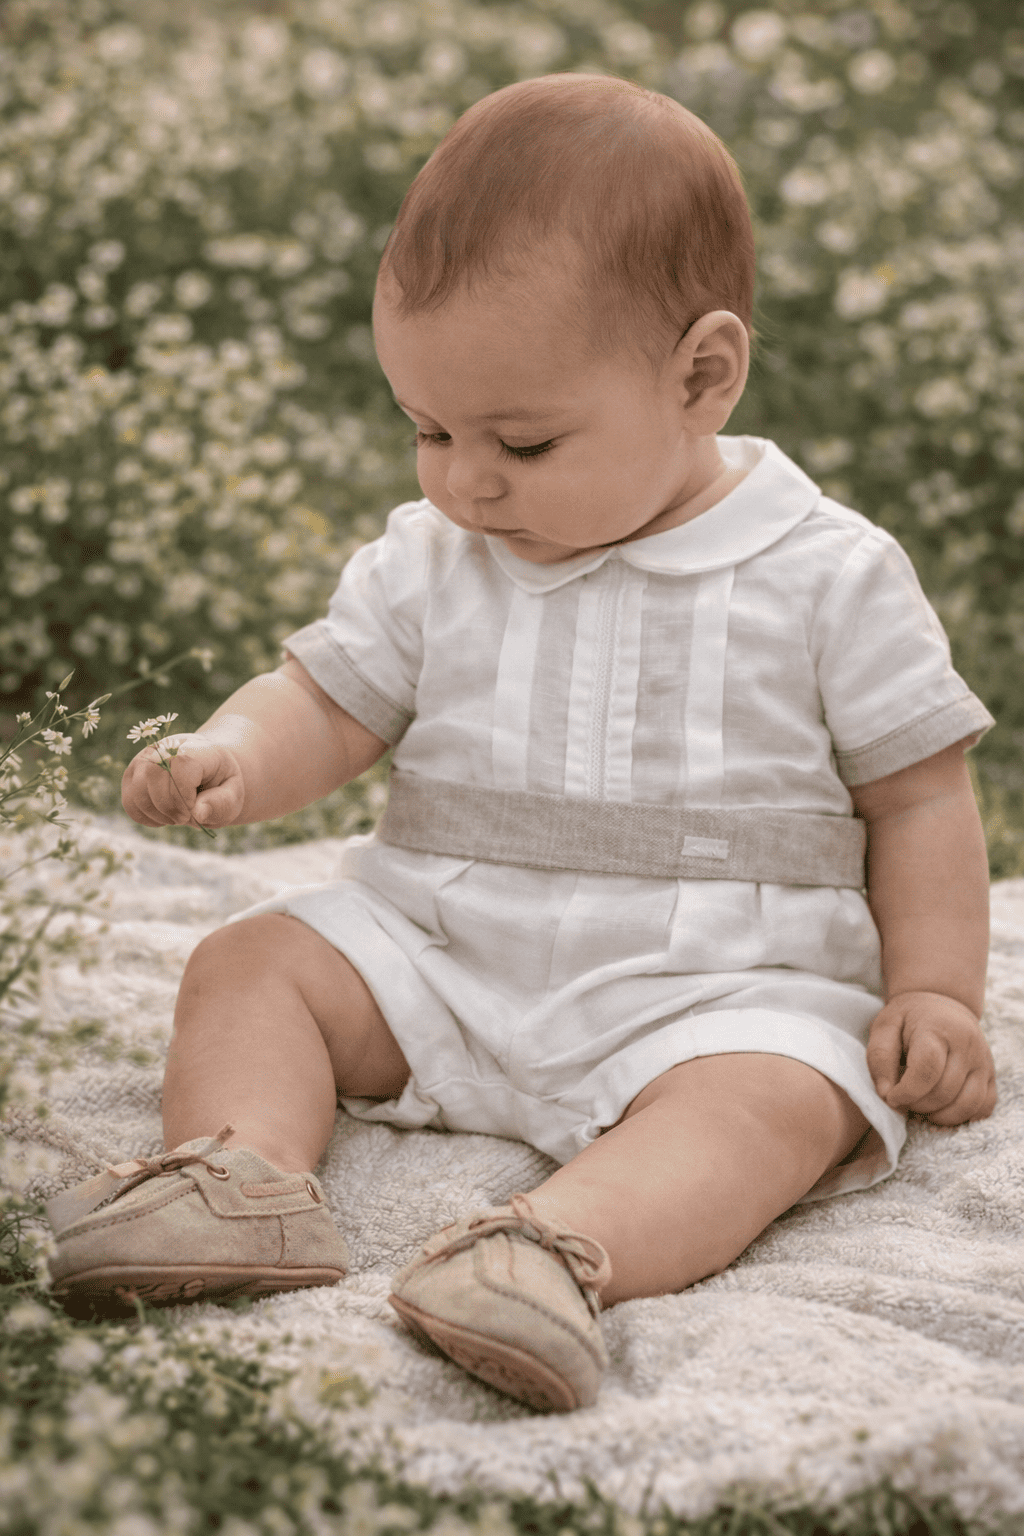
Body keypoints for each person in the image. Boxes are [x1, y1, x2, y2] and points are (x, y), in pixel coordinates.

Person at [47, 73, 998, 1414]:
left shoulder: (827, 574)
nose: (464, 481)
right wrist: (235, 755)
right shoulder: (434, 557)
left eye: (526, 441)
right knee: (252, 961)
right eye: (428, 429)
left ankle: (548, 1253)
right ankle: (241, 1177)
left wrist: (938, 994)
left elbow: (918, 800)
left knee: (785, 1095)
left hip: (713, 990)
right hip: (445, 953)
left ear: (701, 378)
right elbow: (326, 701)